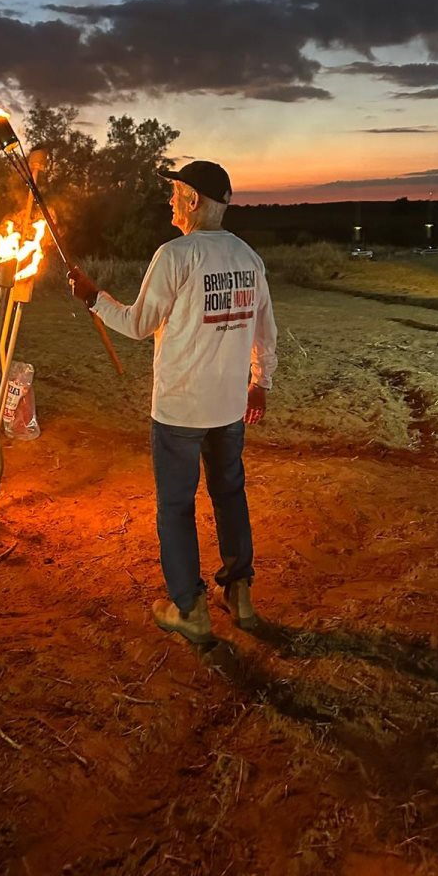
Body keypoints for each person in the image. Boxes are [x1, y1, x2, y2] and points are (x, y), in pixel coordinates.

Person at [69, 160, 277, 644]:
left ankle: (190, 608)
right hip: (229, 408)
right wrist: (259, 382)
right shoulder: (249, 257)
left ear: (194, 201)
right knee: (229, 495)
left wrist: (93, 296)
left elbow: (139, 325)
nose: (170, 200)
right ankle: (241, 595)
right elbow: (264, 329)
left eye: (176, 192)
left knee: (177, 507)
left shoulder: (176, 255)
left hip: (181, 410)